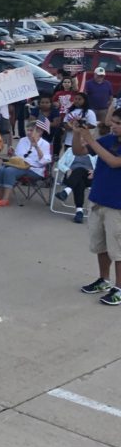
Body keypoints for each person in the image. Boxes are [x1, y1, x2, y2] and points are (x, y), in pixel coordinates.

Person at [72, 110, 121, 304]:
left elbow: (114, 162)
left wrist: (90, 140)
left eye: (118, 123)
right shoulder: (108, 139)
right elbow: (79, 151)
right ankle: (104, 280)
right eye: (113, 122)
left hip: (117, 205)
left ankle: (119, 288)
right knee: (101, 244)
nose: (113, 126)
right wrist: (77, 133)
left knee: (118, 249)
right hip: (98, 199)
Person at [0, 123, 54, 207]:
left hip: (34, 169)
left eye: (31, 130)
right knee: (0, 170)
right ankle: (0, 196)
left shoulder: (45, 144)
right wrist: (12, 154)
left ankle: (5, 200)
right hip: (19, 165)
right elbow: (18, 156)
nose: (28, 132)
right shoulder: (23, 140)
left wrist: (37, 147)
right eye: (28, 130)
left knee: (9, 171)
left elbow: (45, 161)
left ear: (40, 132)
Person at [56, 143, 96, 224]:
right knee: (79, 181)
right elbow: (60, 163)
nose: (82, 141)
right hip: (71, 175)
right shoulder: (70, 150)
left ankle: (66, 191)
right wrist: (67, 170)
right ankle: (79, 212)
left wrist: (95, 172)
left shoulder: (94, 151)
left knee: (80, 170)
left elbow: (101, 166)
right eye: (80, 139)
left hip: (89, 177)